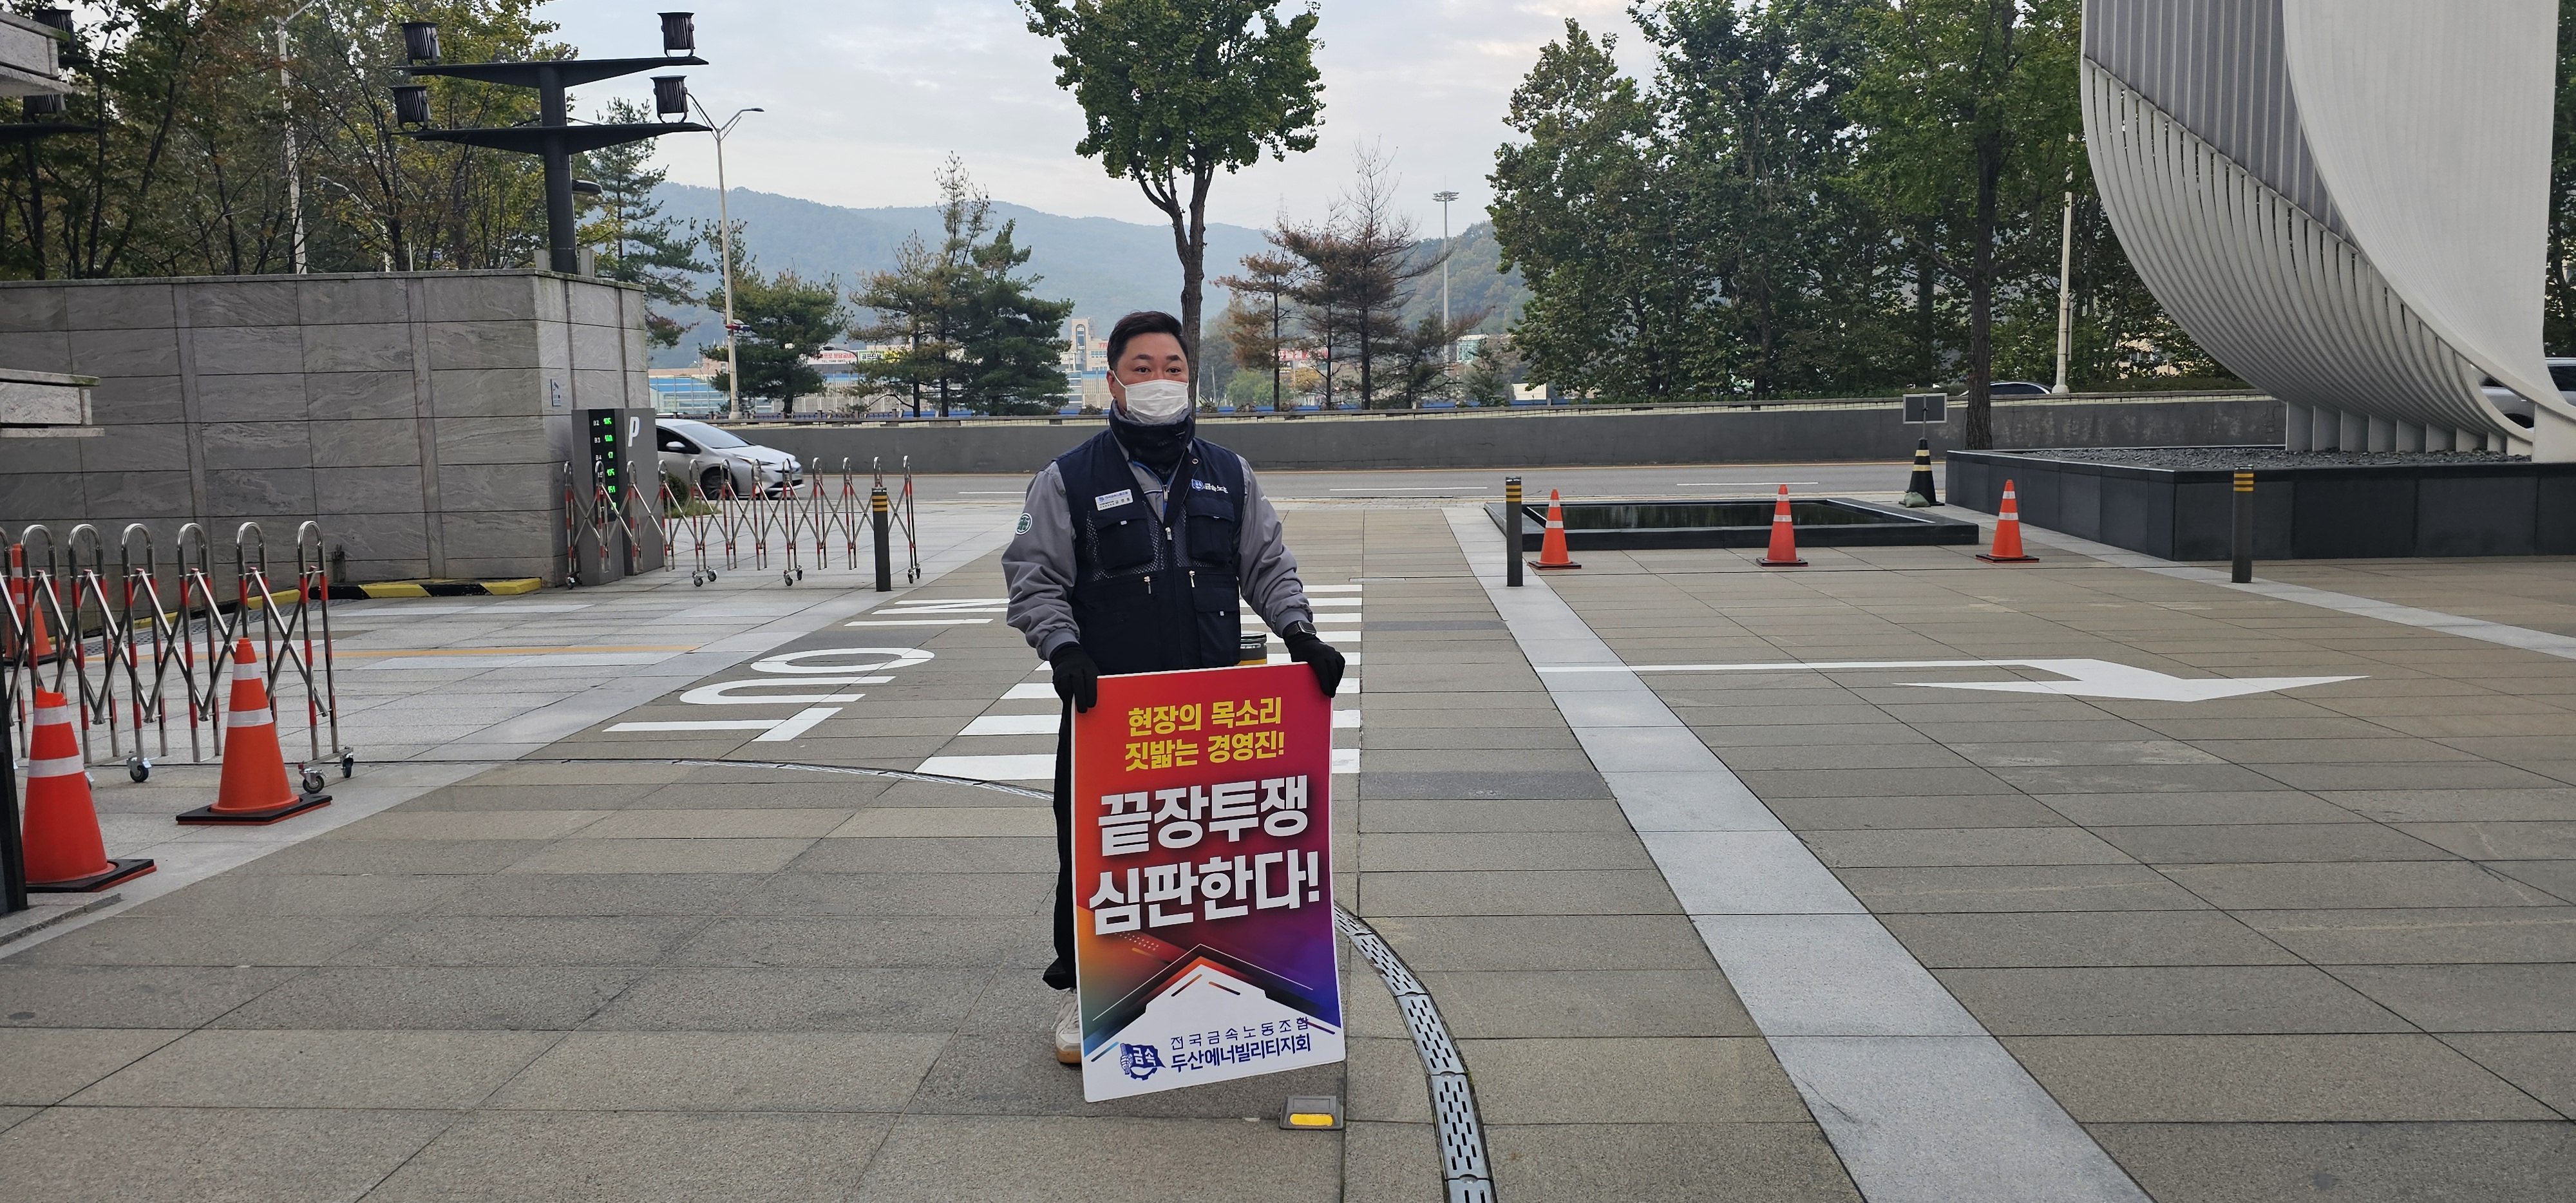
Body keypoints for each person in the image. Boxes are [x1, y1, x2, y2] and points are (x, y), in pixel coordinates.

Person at [1002, 310, 1345, 1065]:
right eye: (1142, 368)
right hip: (1110, 709)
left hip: (1208, 711)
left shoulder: (1229, 472)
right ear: (1113, 381)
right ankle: (1088, 988)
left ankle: (1212, 980)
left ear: (1190, 378)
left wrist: (1300, 633)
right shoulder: (1067, 479)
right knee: (1098, 849)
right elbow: (1034, 578)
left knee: (1210, 849)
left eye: (1172, 368)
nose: (1159, 380)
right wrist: (1063, 647)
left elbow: (1265, 564)